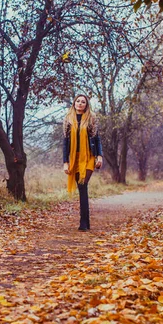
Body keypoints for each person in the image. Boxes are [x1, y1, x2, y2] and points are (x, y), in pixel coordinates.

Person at [62, 94, 103, 231]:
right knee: (82, 188)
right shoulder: (68, 120)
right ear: (74, 103)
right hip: (75, 158)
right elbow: (65, 143)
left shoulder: (91, 119)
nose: (80, 103)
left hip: (89, 157)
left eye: (83, 102)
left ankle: (84, 223)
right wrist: (65, 162)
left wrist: (99, 156)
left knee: (83, 184)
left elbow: (96, 139)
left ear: (86, 105)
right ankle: (85, 222)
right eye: (78, 101)